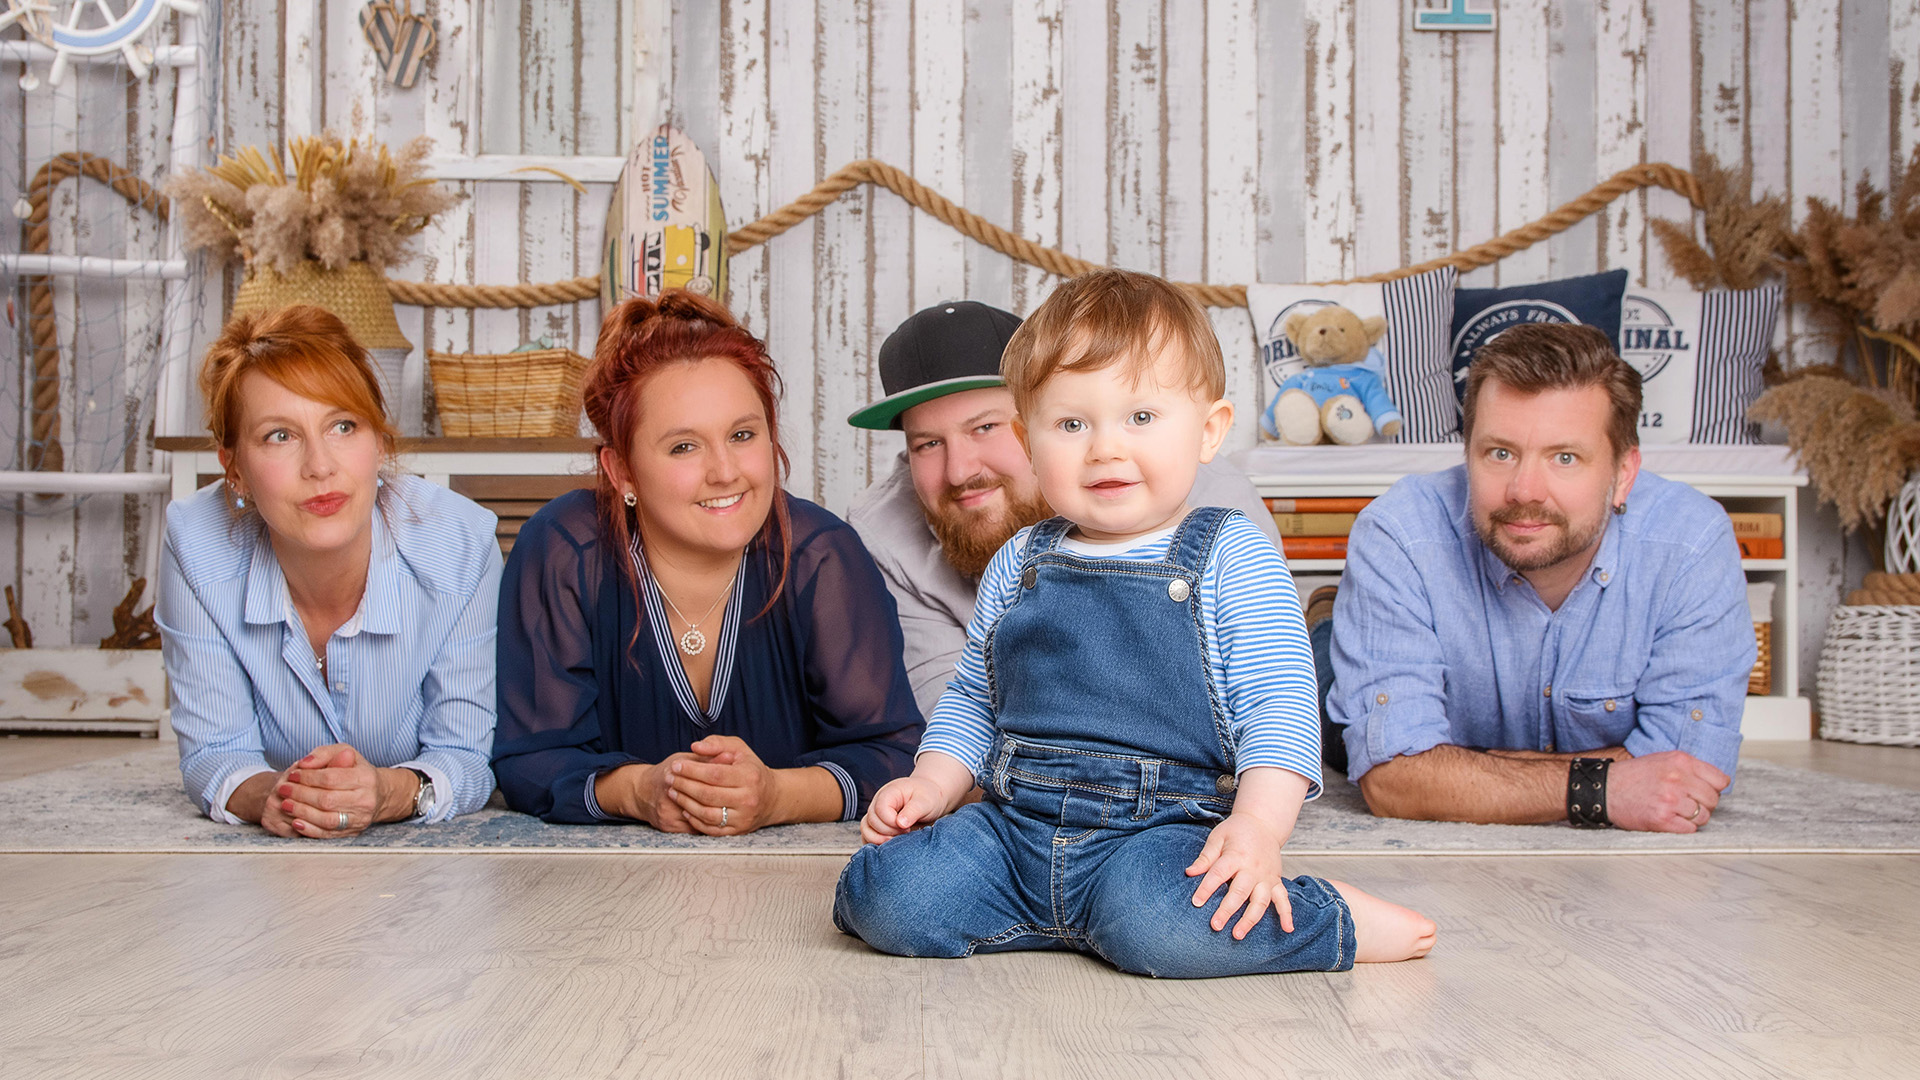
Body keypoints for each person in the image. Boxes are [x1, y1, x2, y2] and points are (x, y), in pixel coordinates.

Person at [833, 269, 1436, 977]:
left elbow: (1279, 707)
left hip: (1158, 834)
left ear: (1209, 430)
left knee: (1158, 923)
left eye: (1141, 418)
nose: (1105, 449)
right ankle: (1076, 918)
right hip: (1016, 827)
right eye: (1072, 425)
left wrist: (1256, 827)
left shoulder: (1230, 554)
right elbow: (974, 699)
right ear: (1030, 441)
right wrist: (933, 783)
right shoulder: (1018, 560)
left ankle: (1325, 917)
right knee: (887, 896)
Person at [491, 291, 923, 831]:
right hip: (602, 875)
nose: (724, 472)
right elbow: (529, 759)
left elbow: (894, 755)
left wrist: (777, 796)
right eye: (683, 447)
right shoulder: (565, 549)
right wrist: (637, 791)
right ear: (621, 470)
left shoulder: (822, 556)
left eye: (742, 435)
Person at [1326, 322, 1756, 832]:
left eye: (1565, 458)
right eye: (1500, 453)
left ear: (1623, 475)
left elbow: (1687, 773)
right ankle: (1329, 618)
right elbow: (1393, 780)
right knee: (1311, 702)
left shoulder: (1691, 542)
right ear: (1467, 454)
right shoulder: (1400, 532)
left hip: (1453, 719)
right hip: (1337, 672)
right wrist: (1602, 787)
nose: (1524, 491)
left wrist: (1454, 769)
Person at [157, 305, 502, 837]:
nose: (320, 466)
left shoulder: (461, 544)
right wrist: (276, 796)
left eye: (343, 426)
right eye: (280, 435)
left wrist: (387, 793)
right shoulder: (195, 542)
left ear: (379, 441)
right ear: (234, 468)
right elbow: (214, 753)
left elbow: (465, 756)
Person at [846, 300, 1283, 718]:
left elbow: (1269, 702)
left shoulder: (1209, 496)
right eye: (927, 444)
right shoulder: (883, 533)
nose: (959, 471)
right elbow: (953, 709)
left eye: (985, 427)